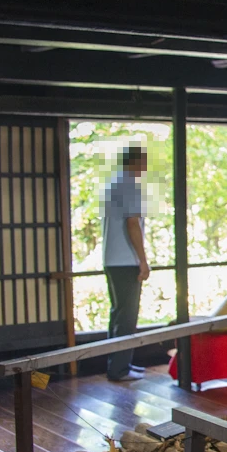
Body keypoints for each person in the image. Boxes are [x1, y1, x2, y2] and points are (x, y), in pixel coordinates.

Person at [103, 145, 150, 381]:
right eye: (144, 162)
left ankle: (118, 364)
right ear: (134, 162)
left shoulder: (114, 184)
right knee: (127, 315)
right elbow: (132, 223)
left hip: (112, 258)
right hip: (125, 260)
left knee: (118, 314)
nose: (146, 167)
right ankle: (120, 368)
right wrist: (143, 260)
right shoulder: (130, 185)